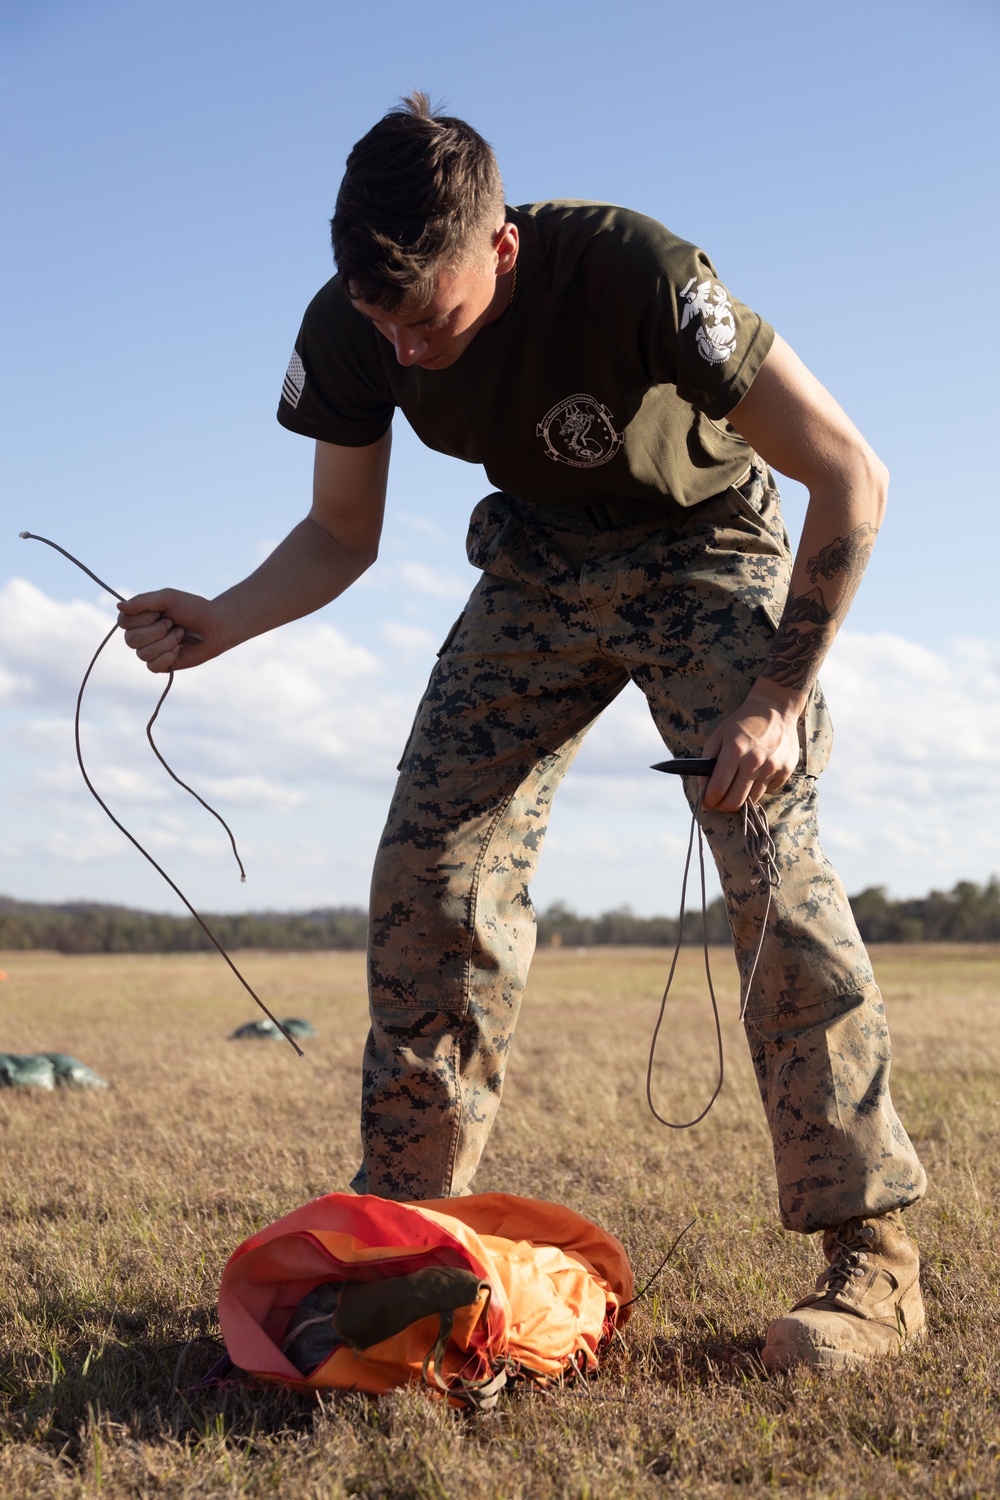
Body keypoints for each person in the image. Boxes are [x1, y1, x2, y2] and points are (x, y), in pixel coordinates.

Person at [119, 94, 927, 1371]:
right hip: (540, 561)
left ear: (498, 250)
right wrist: (220, 619)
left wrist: (774, 699)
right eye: (380, 320)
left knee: (768, 858)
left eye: (427, 319)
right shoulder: (357, 323)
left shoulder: (632, 271)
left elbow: (850, 472)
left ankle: (870, 1261)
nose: (405, 348)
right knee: (429, 862)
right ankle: (403, 1239)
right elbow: (340, 533)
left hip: (702, 543)